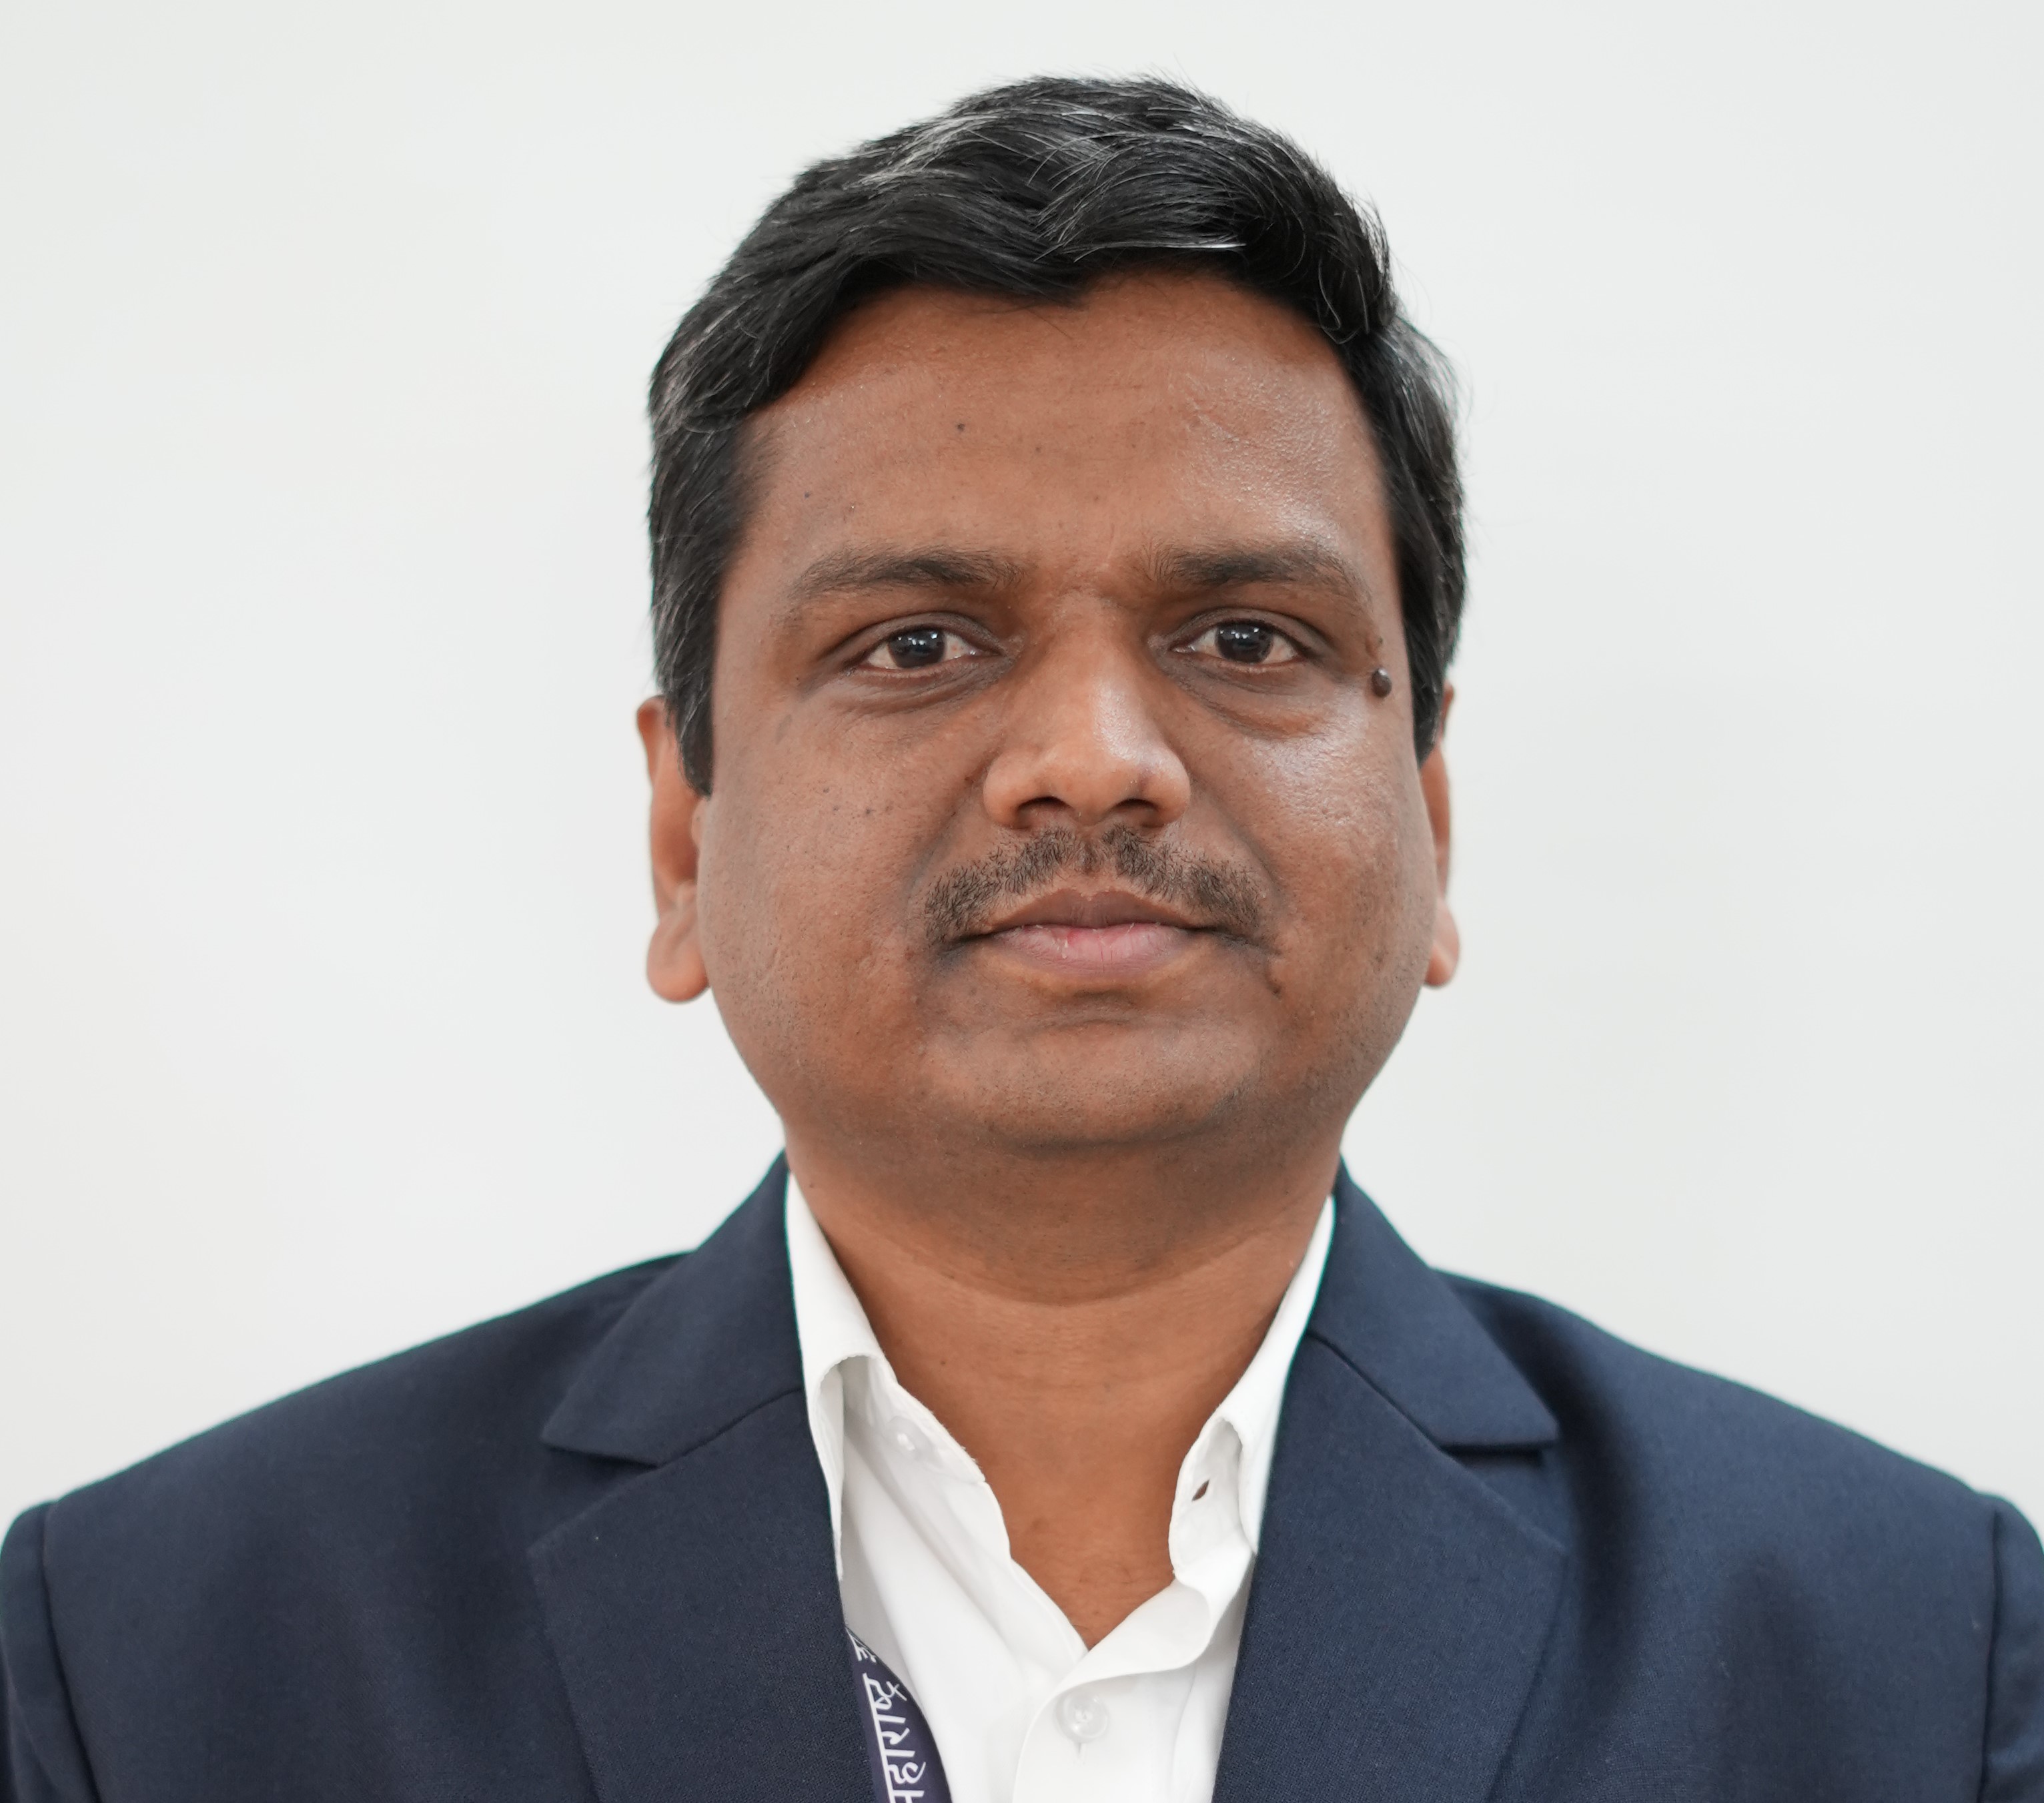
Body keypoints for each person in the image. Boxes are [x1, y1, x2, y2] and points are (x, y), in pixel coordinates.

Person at [3, 74, 2038, 1803]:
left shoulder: (1907, 1655)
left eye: (1246, 637)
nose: (1091, 761)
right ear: (681, 836)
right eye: (918, 644)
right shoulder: (157, 1655)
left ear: (1429, 819)